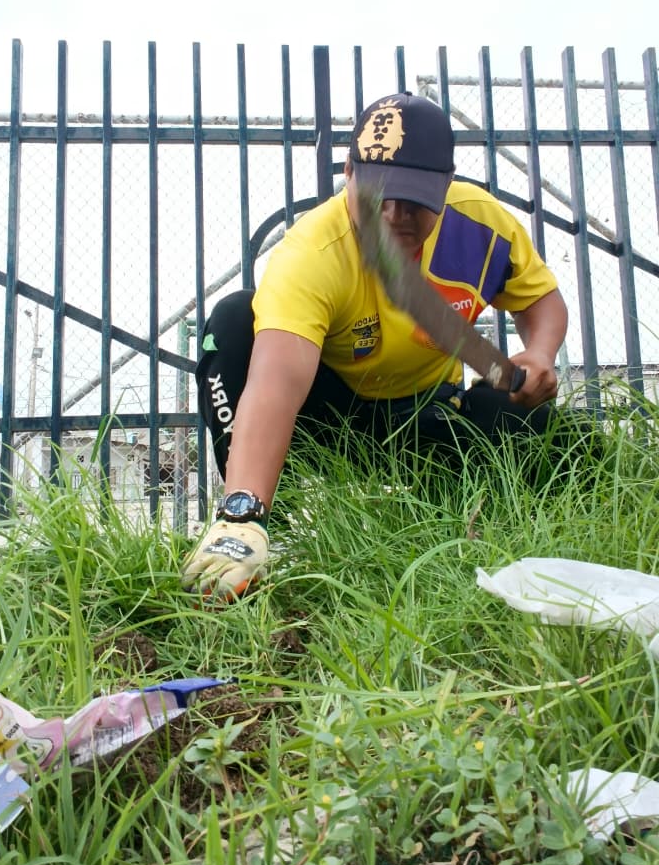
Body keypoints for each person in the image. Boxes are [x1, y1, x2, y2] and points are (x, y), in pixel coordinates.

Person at [183, 91, 568, 597]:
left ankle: (474, 536)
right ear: (349, 174)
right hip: (333, 416)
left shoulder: (481, 225)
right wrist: (244, 513)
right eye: (375, 194)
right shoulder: (311, 252)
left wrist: (539, 353)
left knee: (524, 414)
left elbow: (542, 300)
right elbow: (276, 382)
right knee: (234, 324)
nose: (392, 214)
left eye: (412, 200)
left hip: (427, 413)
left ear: (446, 185)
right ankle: (257, 529)